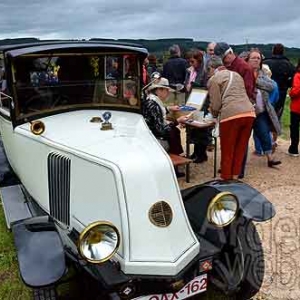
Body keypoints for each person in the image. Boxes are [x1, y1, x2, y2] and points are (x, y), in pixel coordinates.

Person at [206, 56, 255, 180]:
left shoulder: (214, 79)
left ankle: (226, 179)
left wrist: (212, 114)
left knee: (228, 149)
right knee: (240, 149)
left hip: (231, 115)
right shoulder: (236, 75)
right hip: (249, 113)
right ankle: (235, 177)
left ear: (212, 68)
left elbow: (216, 105)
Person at [245, 49, 281, 168]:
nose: (256, 60)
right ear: (247, 60)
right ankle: (237, 162)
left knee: (264, 133)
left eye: (258, 58)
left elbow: (272, 86)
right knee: (243, 137)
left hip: (260, 111)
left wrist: (255, 82)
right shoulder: (242, 73)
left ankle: (270, 158)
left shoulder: (263, 74)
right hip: (245, 111)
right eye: (253, 58)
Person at [142, 77, 183, 156]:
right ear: (158, 90)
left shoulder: (150, 100)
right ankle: (175, 159)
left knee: (174, 130)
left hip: (150, 137)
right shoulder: (154, 105)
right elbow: (162, 131)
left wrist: (169, 109)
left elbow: (157, 114)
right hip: (156, 141)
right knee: (174, 132)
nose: (168, 92)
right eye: (166, 90)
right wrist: (177, 121)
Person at [184, 49, 210, 163]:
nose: (191, 64)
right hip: (192, 102)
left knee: (201, 129)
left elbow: (205, 87)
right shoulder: (191, 71)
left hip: (202, 102)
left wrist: (193, 85)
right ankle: (196, 151)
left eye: (192, 61)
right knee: (193, 128)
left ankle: (202, 153)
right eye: (189, 62)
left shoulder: (205, 72)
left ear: (199, 61)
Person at [263, 43, 296, 120]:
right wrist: (288, 84)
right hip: (281, 91)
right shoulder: (288, 64)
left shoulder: (265, 63)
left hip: (266, 90)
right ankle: (275, 129)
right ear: (283, 51)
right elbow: (295, 77)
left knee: (265, 112)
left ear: (273, 51)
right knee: (277, 113)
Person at [288, 59, 300, 157]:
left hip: (297, 106)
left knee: (295, 128)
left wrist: (290, 93)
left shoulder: (298, 75)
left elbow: (296, 90)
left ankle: (294, 149)